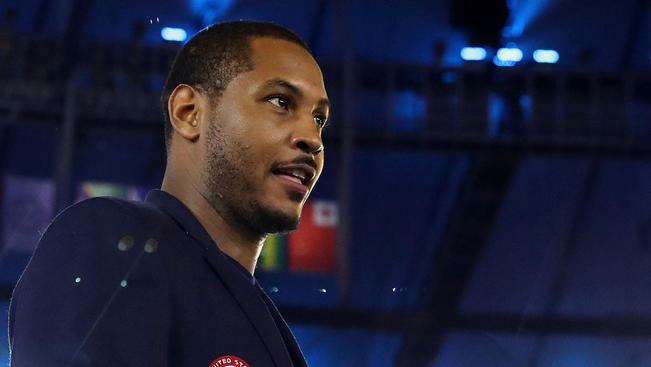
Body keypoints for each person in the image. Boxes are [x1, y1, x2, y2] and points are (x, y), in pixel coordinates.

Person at [9, 20, 329, 367]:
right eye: (280, 101)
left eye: (319, 119)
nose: (312, 138)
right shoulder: (113, 240)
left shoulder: (265, 324)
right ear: (188, 112)